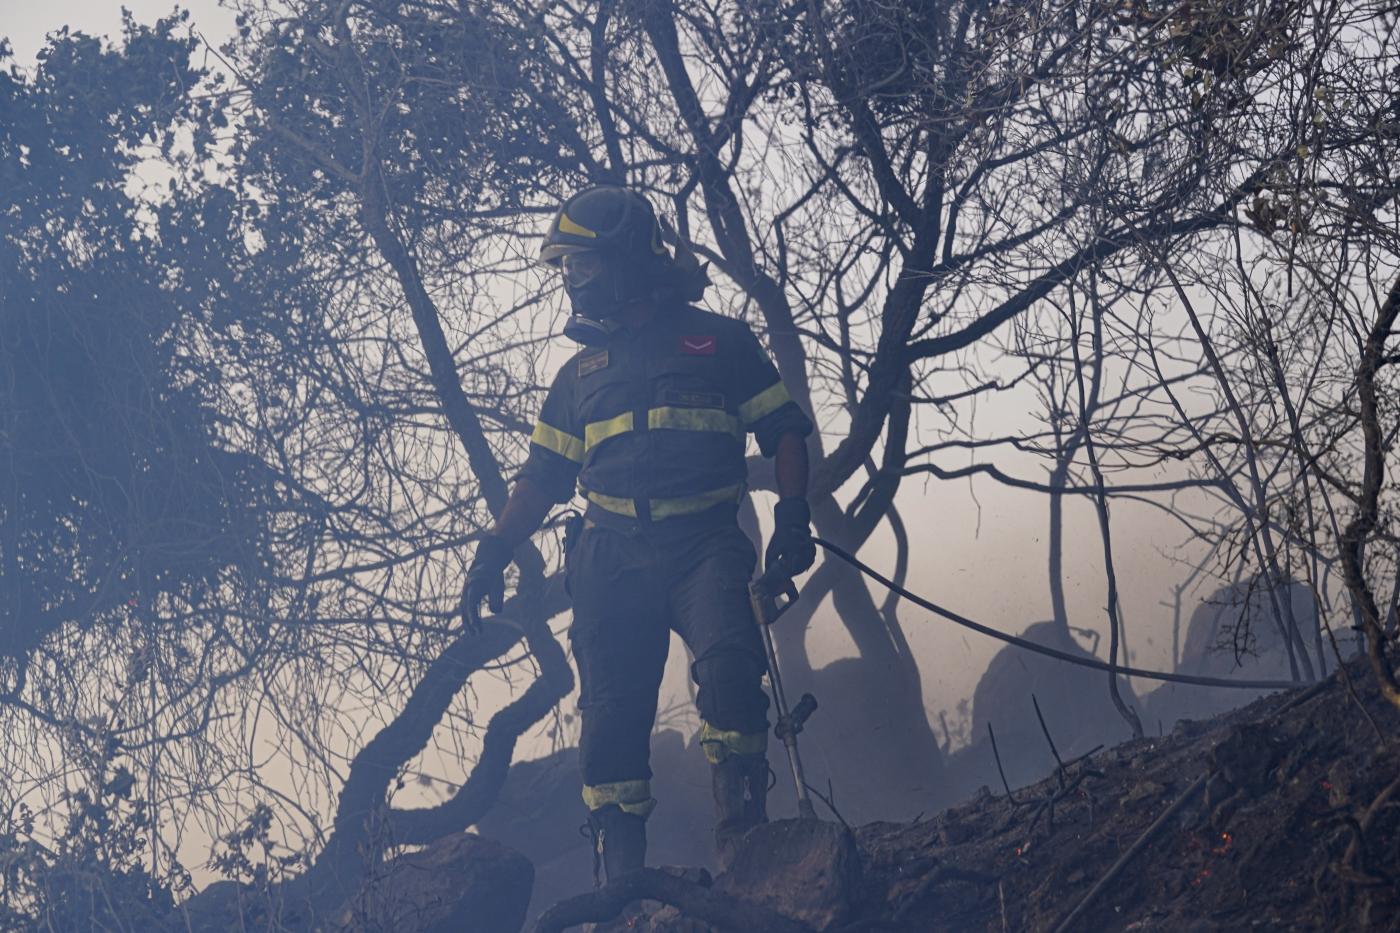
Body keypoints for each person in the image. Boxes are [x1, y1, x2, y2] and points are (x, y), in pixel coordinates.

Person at [461, 185, 815, 880]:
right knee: (611, 722)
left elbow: (785, 431)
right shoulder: (577, 375)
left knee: (730, 675)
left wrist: (794, 515)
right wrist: (493, 548)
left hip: (707, 544)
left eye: (582, 265)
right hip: (610, 556)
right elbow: (540, 476)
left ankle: (748, 847)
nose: (571, 280)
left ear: (623, 261)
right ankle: (619, 884)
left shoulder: (722, 341)